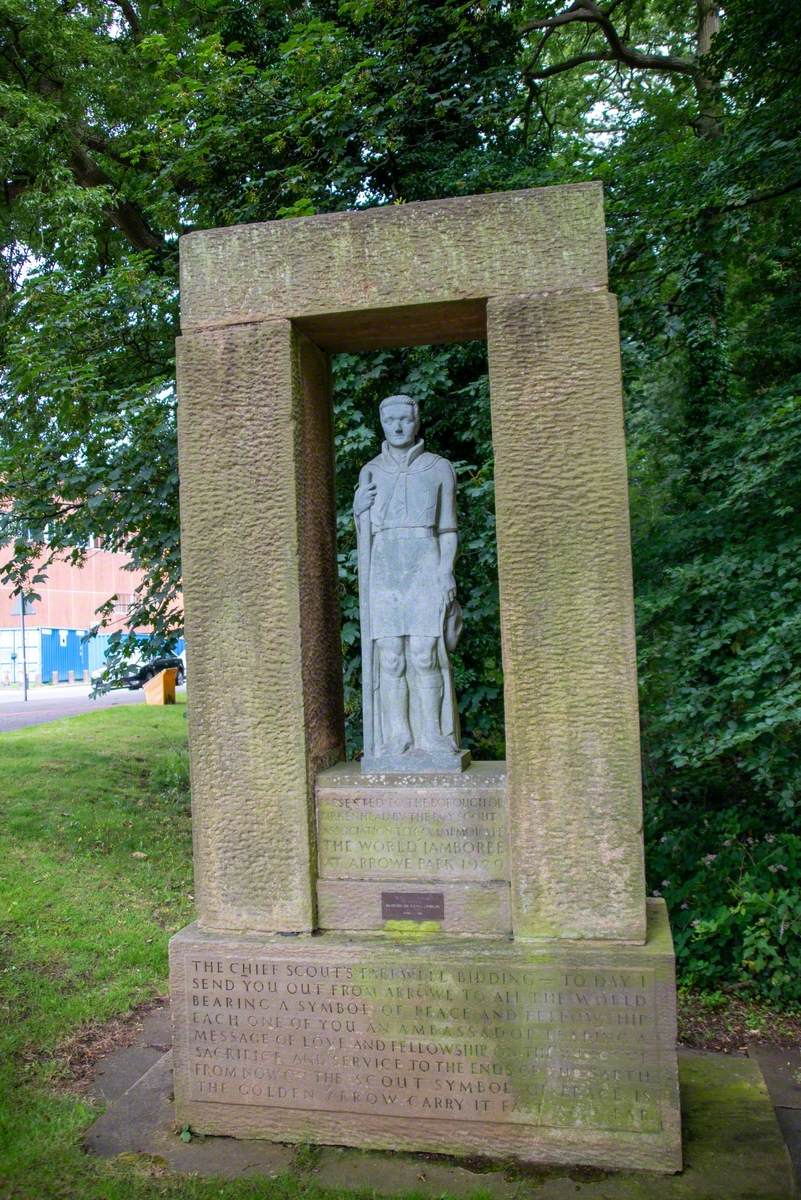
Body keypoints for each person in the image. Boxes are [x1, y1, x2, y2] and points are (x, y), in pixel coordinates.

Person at [354, 394, 467, 770]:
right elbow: (365, 533)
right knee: (390, 656)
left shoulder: (439, 468)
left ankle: (432, 735)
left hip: (424, 560)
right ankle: (397, 734)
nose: (398, 427)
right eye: (391, 420)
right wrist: (359, 510)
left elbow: (448, 528)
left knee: (424, 653)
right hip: (385, 565)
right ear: (382, 423)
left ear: (416, 422)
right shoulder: (370, 471)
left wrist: (445, 570)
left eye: (405, 419)